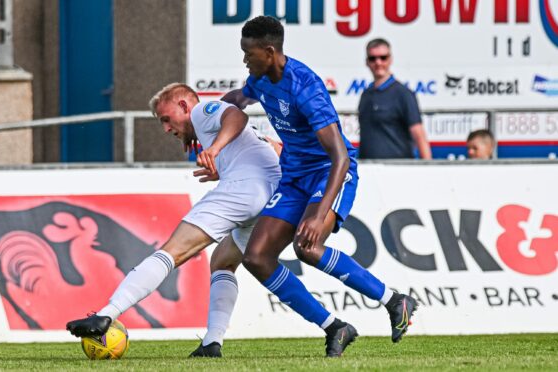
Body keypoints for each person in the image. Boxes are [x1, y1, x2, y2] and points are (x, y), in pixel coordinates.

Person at [220, 16, 418, 357]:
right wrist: (203, 121)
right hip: (294, 176)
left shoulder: (305, 87)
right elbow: (237, 98)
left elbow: (340, 156)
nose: (244, 60)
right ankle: (334, 327)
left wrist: (319, 214)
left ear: (269, 51)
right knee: (256, 257)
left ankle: (394, 300)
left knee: (307, 247)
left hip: (329, 172)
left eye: (248, 54)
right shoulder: (260, 78)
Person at [65, 83, 281, 358]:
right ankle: (212, 344)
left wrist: (213, 149)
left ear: (183, 106)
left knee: (171, 251)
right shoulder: (212, 122)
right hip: (270, 198)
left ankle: (106, 315)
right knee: (223, 261)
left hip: (243, 191)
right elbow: (254, 139)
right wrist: (221, 159)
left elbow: (237, 117)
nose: (166, 129)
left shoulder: (203, 111)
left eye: (166, 119)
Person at [358, 38, 432, 159]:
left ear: (390, 59)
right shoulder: (366, 95)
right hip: (369, 169)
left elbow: (419, 135)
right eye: (373, 58)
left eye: (383, 57)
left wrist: (429, 170)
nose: (378, 62)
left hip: (398, 170)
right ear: (367, 62)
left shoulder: (403, 94)